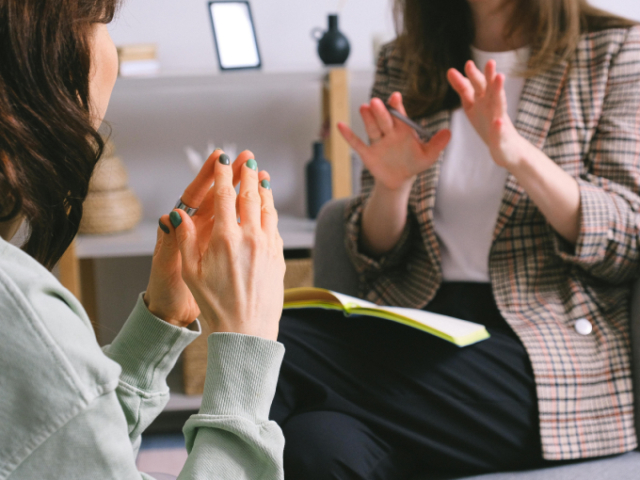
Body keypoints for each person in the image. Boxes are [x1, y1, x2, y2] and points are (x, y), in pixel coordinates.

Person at [270, 0, 640, 478]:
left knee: (274, 340)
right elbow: (375, 258)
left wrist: (517, 154)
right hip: (417, 332)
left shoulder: (613, 49)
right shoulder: (407, 59)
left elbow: (627, 239)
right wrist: (393, 186)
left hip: (544, 357)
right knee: (315, 446)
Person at [0, 0, 286, 478]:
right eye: (100, 22)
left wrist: (159, 323)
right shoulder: (24, 312)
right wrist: (247, 343)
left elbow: (65, 452)